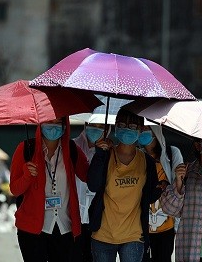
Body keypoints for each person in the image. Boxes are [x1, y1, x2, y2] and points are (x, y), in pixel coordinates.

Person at [9, 117, 90, 262]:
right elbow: (15, 189)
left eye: (58, 122)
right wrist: (27, 175)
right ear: (40, 123)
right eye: (48, 121)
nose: (53, 127)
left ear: (65, 125)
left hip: (65, 226)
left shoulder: (71, 149)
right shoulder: (25, 149)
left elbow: (88, 177)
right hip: (32, 228)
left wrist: (102, 152)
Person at [87, 109, 162, 262]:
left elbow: (149, 195)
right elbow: (93, 185)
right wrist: (100, 154)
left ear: (141, 130)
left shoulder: (146, 161)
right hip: (103, 234)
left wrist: (161, 188)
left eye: (133, 126)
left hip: (133, 235)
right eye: (122, 125)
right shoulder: (105, 155)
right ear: (115, 127)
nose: (127, 129)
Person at [138, 124, 183, 262]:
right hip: (139, 227)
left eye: (147, 129)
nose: (143, 132)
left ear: (155, 131)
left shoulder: (171, 153)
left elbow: (179, 189)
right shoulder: (136, 156)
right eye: (140, 129)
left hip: (166, 228)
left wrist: (177, 225)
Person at [72, 122, 112, 262]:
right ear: (85, 124)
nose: (96, 129)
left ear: (107, 129)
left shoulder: (111, 153)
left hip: (98, 217)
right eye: (93, 125)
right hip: (72, 216)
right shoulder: (72, 147)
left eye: (101, 126)